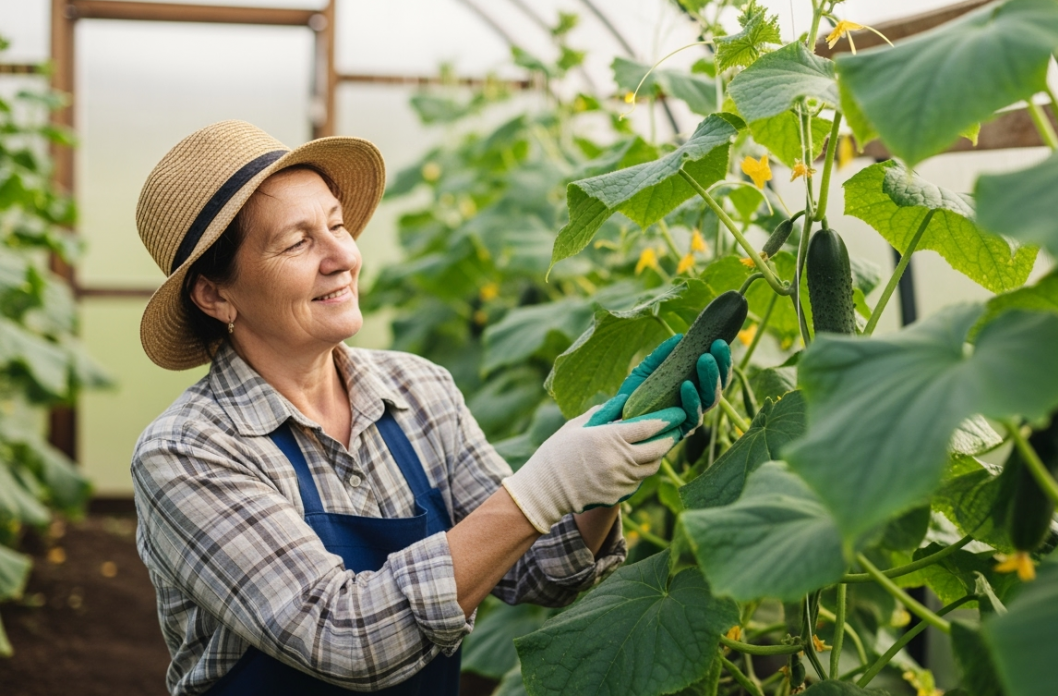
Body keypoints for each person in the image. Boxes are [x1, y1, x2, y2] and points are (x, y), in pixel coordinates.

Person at [130, 121, 730, 695]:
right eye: (297, 242)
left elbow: (539, 569)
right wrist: (546, 486)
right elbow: (344, 636)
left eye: (337, 226)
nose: (341, 256)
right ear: (215, 294)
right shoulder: (187, 453)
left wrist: (610, 460)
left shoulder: (419, 389)